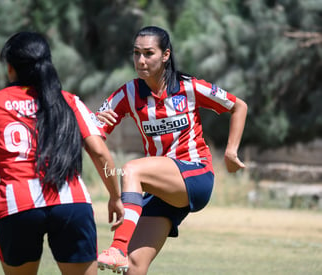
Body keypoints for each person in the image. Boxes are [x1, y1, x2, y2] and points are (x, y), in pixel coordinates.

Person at [0, 31, 124, 275]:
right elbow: (100, 153)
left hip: (17, 206)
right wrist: (115, 195)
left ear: (10, 69)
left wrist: (10, 196)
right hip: (73, 203)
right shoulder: (69, 101)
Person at [96, 26, 248, 274]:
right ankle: (123, 254)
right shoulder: (128, 93)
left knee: (132, 169)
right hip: (163, 189)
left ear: (165, 55)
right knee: (134, 266)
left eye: (148, 53)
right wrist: (92, 122)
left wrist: (231, 152)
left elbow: (238, 106)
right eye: (136, 53)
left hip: (196, 175)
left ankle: (116, 248)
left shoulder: (190, 87)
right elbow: (93, 133)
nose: (141, 60)